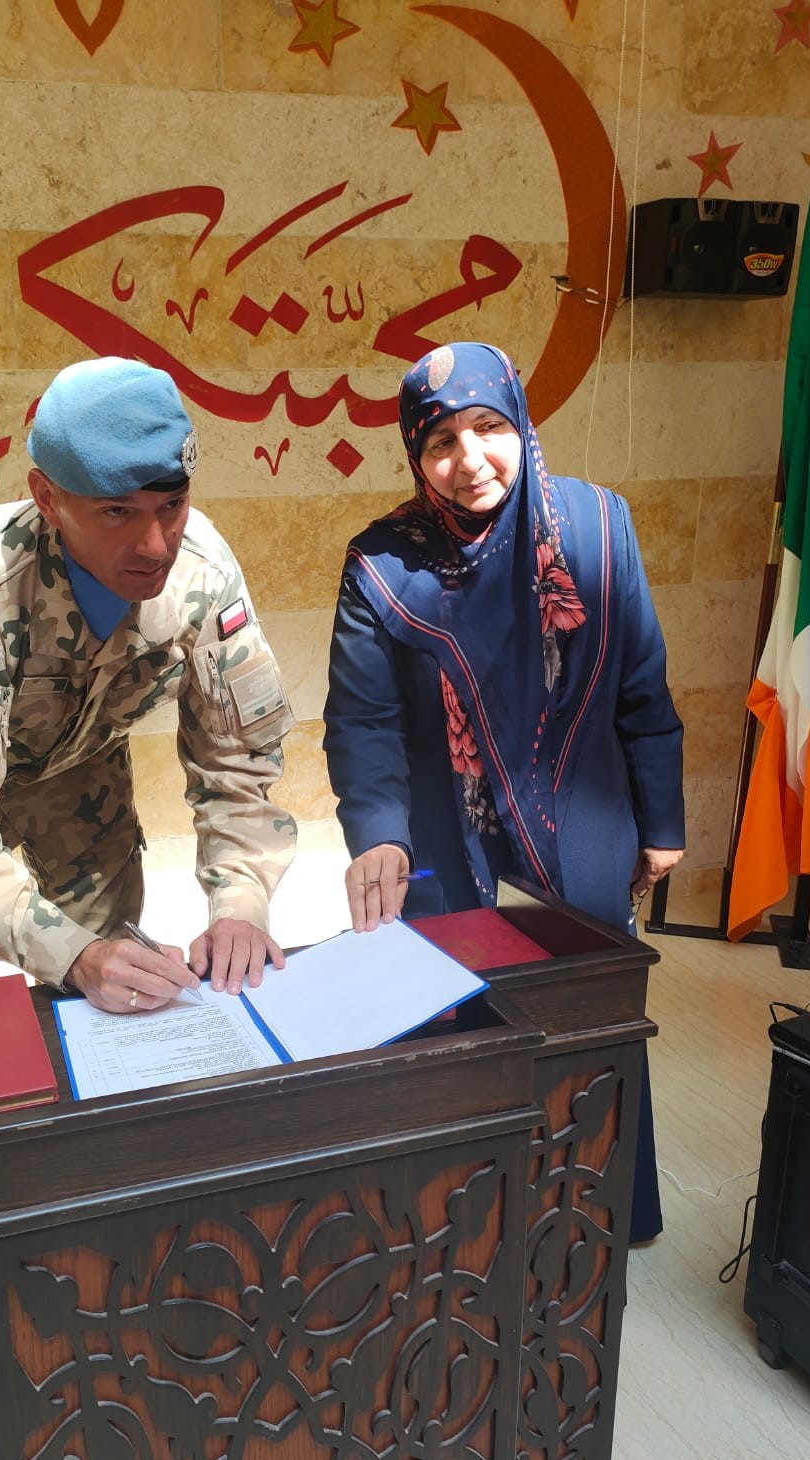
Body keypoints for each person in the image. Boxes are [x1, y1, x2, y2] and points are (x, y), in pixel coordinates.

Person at [323, 341, 684, 1242]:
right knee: (458, 1023)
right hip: (451, 835)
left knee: (588, 1020)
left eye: (489, 427)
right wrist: (379, 833)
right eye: (440, 441)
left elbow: (642, 683)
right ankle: (469, 1229)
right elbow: (363, 722)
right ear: (415, 455)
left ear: (521, 423)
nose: (469, 458)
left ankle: (597, 1217)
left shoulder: (598, 527)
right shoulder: (384, 565)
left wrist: (662, 820)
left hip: (583, 824)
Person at [0, 357, 296, 1013]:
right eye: (117, 511)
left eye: (171, 506)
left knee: (113, 971)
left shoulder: (201, 572)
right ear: (47, 498)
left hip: (79, 763)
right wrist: (73, 957)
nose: (156, 545)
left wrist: (241, 904)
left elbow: (238, 761)